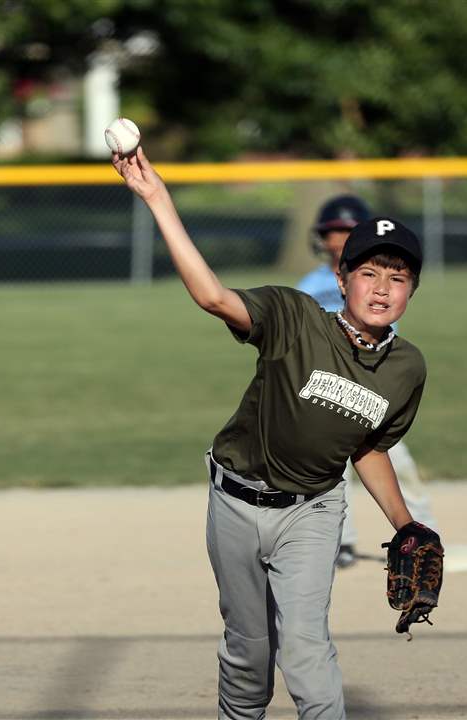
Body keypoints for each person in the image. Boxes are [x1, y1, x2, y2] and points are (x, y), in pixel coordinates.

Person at [112, 148, 435, 720]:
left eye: (398, 277)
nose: (382, 289)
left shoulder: (407, 367)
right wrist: (159, 198)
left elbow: (369, 444)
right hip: (235, 500)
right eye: (368, 273)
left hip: (313, 510)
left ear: (412, 290)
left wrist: (404, 524)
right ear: (342, 277)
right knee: (248, 657)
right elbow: (213, 297)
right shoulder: (294, 316)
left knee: (308, 651)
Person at [298, 195, 439, 568]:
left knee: (398, 463)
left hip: (372, 392)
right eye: (333, 231)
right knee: (330, 473)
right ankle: (340, 543)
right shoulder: (311, 284)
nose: (339, 237)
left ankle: (422, 534)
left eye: (347, 230)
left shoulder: (381, 287)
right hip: (325, 392)